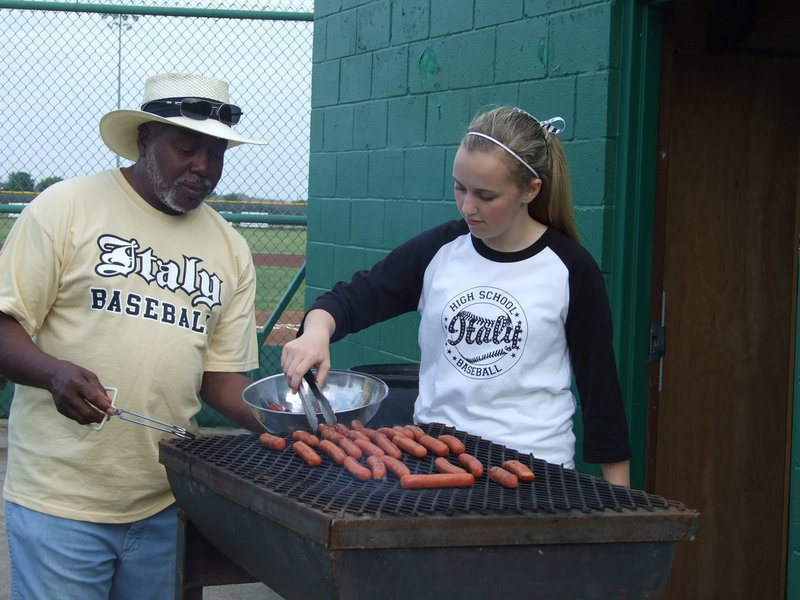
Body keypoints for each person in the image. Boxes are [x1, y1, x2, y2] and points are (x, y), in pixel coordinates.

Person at [0, 72, 268, 599]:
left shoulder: (231, 247)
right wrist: (52, 373)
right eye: (187, 149)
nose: (203, 168)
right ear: (145, 140)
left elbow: (221, 379)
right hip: (61, 505)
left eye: (216, 154)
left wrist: (287, 424)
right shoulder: (65, 208)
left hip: (166, 502)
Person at [282, 106, 631, 487]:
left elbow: (602, 399)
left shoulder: (570, 268)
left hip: (536, 474)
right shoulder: (441, 250)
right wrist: (316, 331)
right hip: (435, 462)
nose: (468, 207)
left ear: (530, 190)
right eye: (460, 187)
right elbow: (348, 300)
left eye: (486, 195)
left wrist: (622, 504)